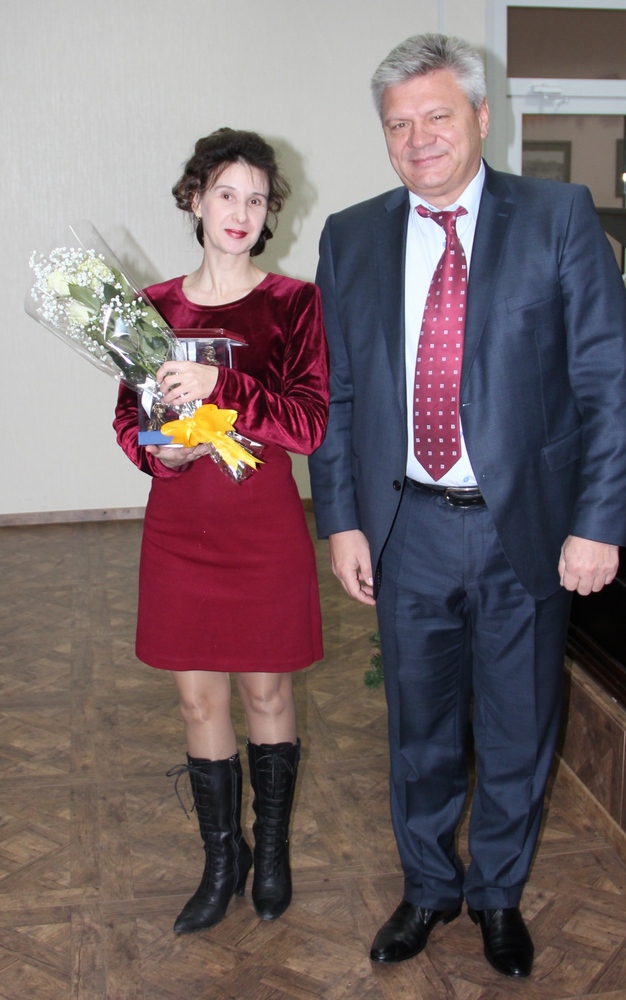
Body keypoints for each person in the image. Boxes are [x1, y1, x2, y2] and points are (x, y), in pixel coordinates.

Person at [308, 34, 626, 979]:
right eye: (397, 124)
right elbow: (335, 396)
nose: (417, 138)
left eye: (436, 116)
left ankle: (496, 894)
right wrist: (340, 519)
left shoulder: (557, 217)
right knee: (416, 730)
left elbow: (607, 385)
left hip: (522, 529)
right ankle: (427, 888)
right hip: (405, 527)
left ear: (481, 118)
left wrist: (597, 523)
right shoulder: (351, 236)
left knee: (515, 728)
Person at [114, 128, 329, 934]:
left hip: (262, 525)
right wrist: (159, 452)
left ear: (271, 213)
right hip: (180, 526)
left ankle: (269, 854)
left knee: (266, 691)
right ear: (195, 199)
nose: (241, 211)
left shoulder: (293, 304)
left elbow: (307, 424)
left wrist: (219, 383)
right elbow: (130, 420)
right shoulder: (151, 308)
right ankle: (221, 860)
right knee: (197, 700)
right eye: (226, 194)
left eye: (257, 199)